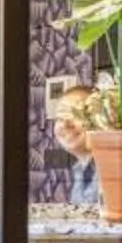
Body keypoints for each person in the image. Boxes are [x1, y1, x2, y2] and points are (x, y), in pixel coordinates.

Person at [47, 80, 101, 211]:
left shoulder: (112, 170)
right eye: (60, 117)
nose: (65, 124)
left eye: (75, 115)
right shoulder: (80, 169)